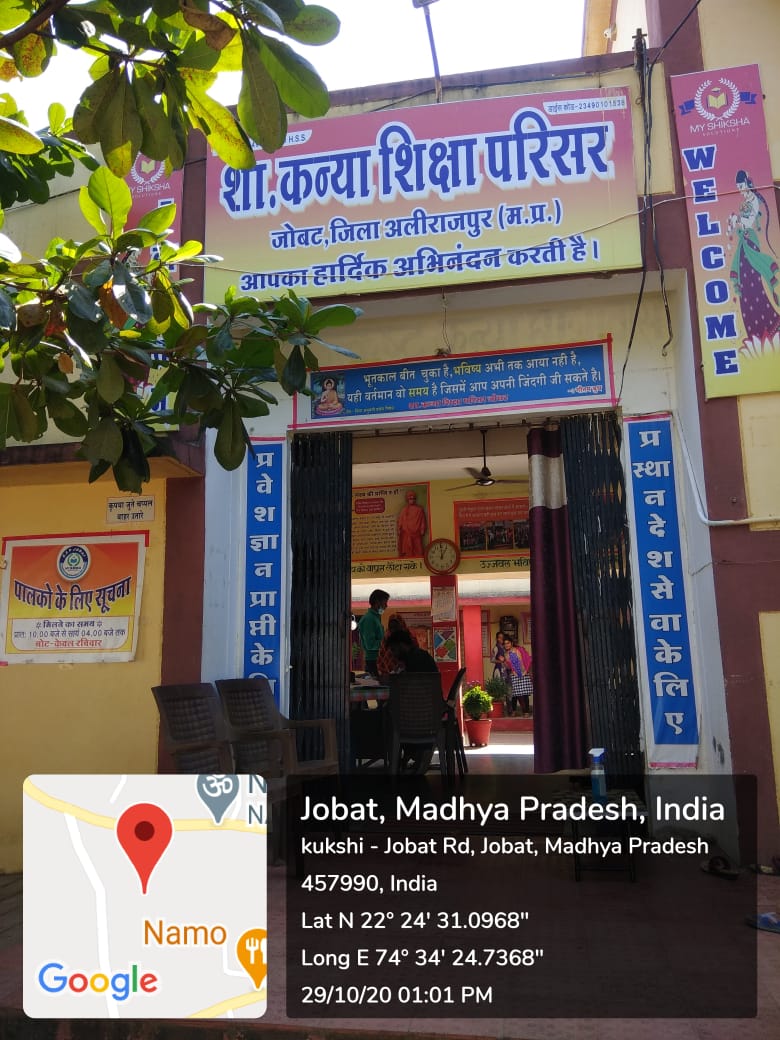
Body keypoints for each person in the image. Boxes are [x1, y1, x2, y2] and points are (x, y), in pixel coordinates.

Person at [727, 169, 780, 344]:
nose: (740, 189)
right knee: (745, 285)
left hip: (750, 243)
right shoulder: (746, 202)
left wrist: (737, 221)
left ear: (747, 183)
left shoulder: (754, 200)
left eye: (741, 186)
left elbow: (748, 223)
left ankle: (769, 325)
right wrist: (734, 222)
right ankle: (754, 331)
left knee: (753, 282)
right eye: (738, 187)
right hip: (744, 244)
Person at [357, 588, 390, 677]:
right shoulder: (369, 619)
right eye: (384, 603)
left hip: (378, 659)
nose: (386, 606)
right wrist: (386, 643)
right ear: (377, 602)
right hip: (373, 661)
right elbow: (370, 644)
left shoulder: (376, 618)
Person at [376, 613, 418, 678]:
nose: (393, 629)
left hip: (407, 675)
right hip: (388, 675)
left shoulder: (410, 638)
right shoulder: (386, 639)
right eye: (391, 627)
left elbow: (415, 656)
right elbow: (381, 658)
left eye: (396, 626)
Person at [503, 634, 533, 716]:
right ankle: (514, 711)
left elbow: (528, 660)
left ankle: (526, 712)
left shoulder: (519, 649)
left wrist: (525, 671)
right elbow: (509, 666)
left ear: (512, 643)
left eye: (508, 643)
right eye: (505, 644)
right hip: (515, 675)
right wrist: (504, 662)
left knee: (525, 694)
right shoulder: (506, 654)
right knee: (515, 694)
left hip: (524, 673)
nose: (506, 645)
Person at [396, 490, 427, 557]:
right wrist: (399, 529)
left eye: (413, 498)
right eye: (410, 499)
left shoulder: (420, 510)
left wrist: (422, 529)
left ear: (415, 499)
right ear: (407, 500)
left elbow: (423, 521)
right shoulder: (404, 510)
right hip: (407, 533)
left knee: (418, 550)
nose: (411, 500)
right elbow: (400, 521)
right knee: (408, 551)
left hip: (417, 533)